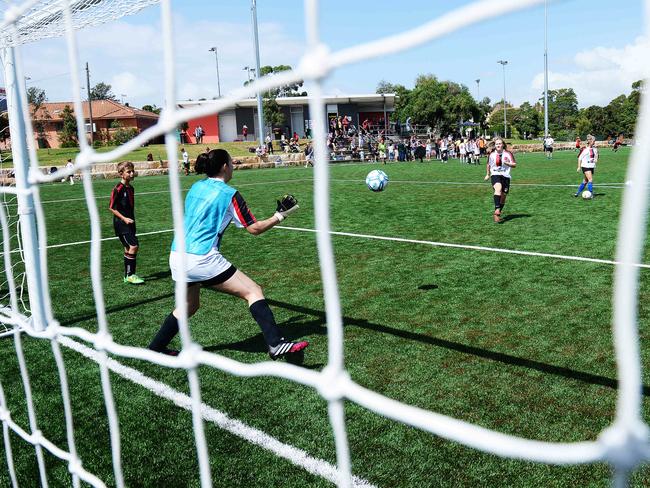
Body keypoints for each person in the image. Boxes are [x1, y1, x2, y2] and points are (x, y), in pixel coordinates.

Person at [147, 149, 308, 359]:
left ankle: (156, 347)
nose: (233, 165)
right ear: (225, 166)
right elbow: (254, 228)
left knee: (189, 305)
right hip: (202, 258)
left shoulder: (196, 186)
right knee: (253, 291)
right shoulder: (230, 194)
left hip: (177, 254)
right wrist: (280, 215)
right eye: (231, 162)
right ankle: (277, 344)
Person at [109, 161, 144, 284]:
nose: (132, 173)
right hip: (121, 223)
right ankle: (131, 275)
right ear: (121, 174)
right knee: (134, 246)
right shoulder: (117, 188)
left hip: (131, 222)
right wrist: (124, 219)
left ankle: (127, 276)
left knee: (128, 247)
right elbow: (111, 207)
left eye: (132, 171)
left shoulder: (131, 188)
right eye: (128, 172)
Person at [484, 138, 517, 223]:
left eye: (499, 144)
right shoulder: (491, 154)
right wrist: (488, 174)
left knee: (503, 196)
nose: (498, 145)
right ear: (495, 145)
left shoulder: (508, 153)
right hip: (495, 174)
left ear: (503, 145)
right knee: (498, 188)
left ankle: (497, 213)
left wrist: (507, 163)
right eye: (496, 144)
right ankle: (497, 209)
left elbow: (514, 165)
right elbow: (488, 164)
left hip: (506, 176)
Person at [574, 134, 598, 198]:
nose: (594, 142)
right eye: (593, 141)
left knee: (585, 181)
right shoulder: (585, 149)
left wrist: (596, 159)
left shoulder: (595, 149)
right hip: (585, 166)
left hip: (591, 166)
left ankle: (577, 193)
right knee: (590, 179)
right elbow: (579, 158)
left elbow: (596, 156)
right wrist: (579, 167)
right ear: (590, 141)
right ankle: (591, 194)